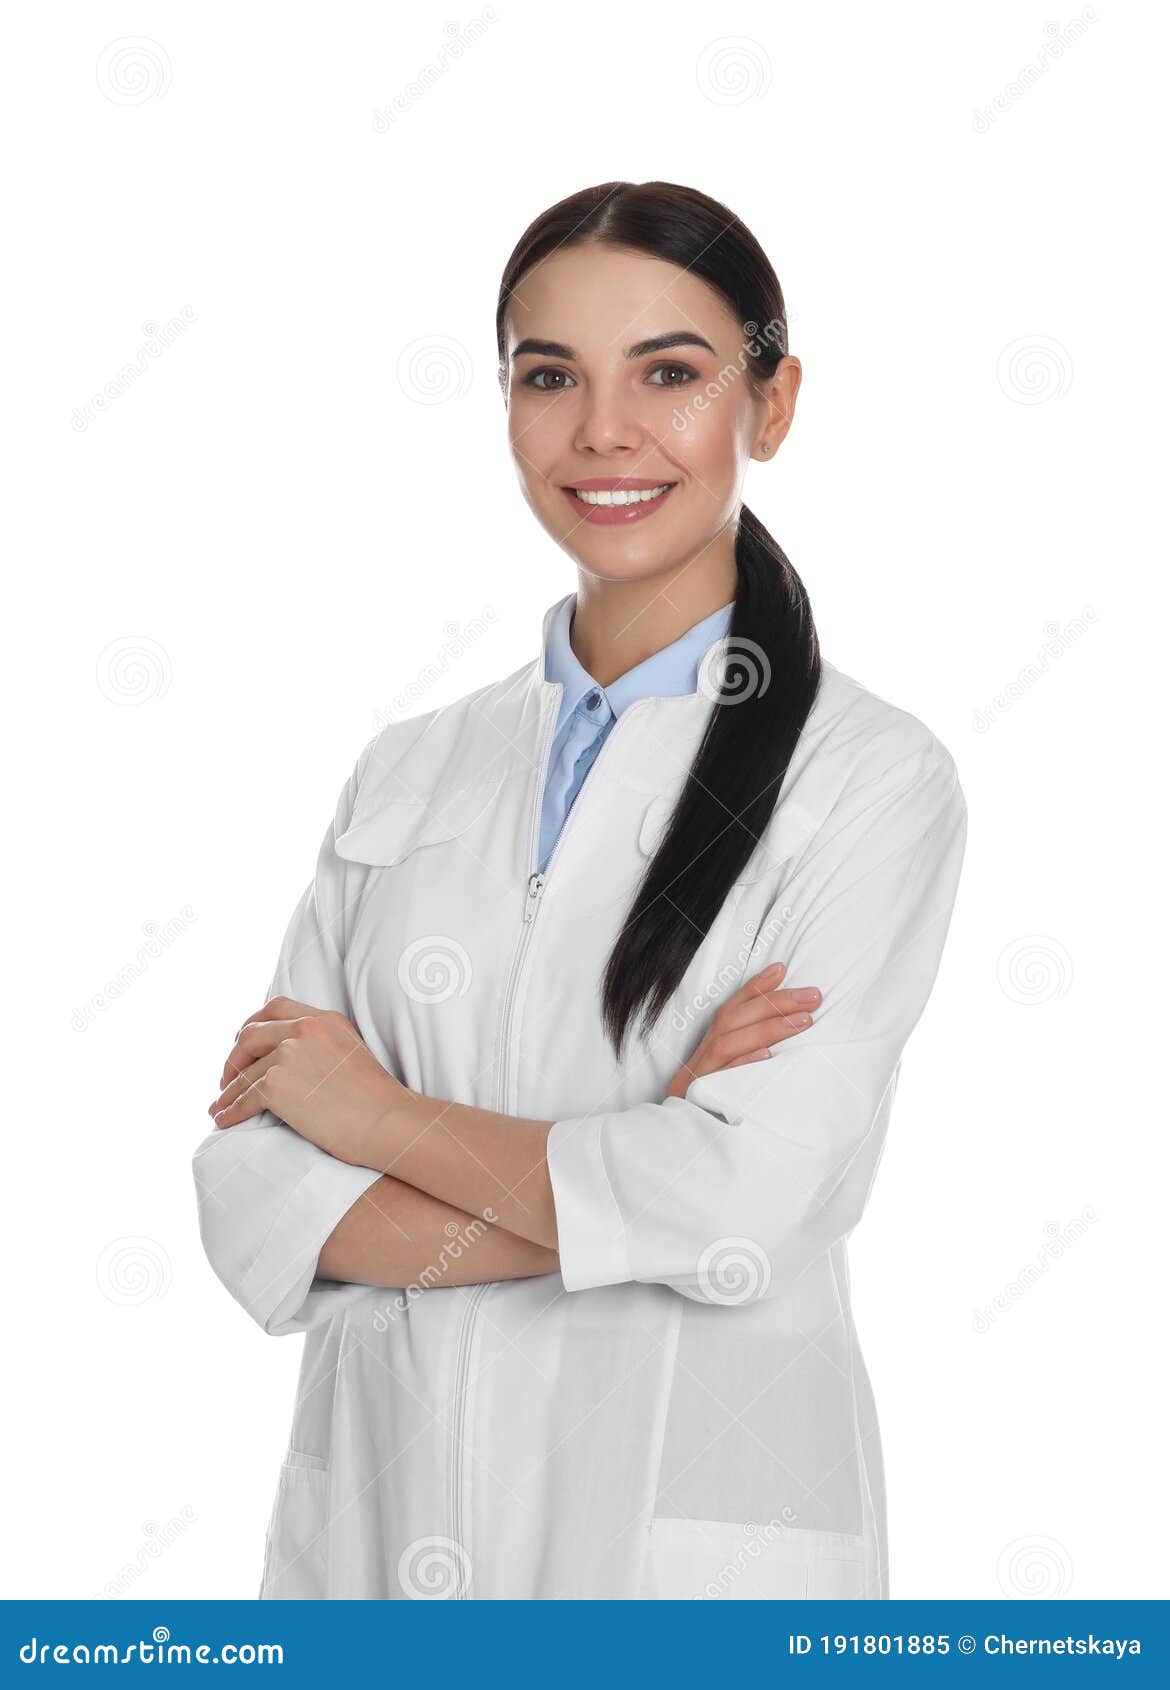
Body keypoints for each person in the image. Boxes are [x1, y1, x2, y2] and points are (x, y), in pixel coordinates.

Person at [192, 179, 967, 1601]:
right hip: (376, 1537)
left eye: (668, 373)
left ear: (771, 403)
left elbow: (740, 1205)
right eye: (548, 376)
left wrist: (377, 1121)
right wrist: (626, 1171)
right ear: (502, 403)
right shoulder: (409, 768)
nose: (603, 431)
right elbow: (249, 1189)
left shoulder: (865, 778)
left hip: (681, 1554)